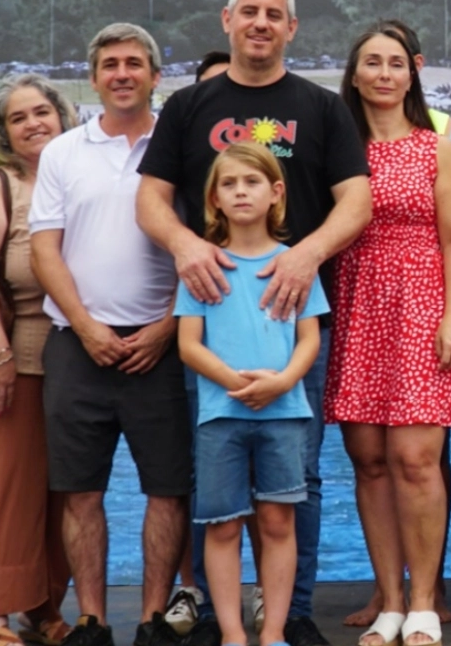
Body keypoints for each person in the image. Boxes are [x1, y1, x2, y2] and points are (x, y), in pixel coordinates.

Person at [136, 0, 372, 646]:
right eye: (250, 12)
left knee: (298, 479)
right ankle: (223, 621)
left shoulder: (321, 107)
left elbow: (355, 201)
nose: (261, 24)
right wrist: (185, 246)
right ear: (227, 20)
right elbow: (151, 199)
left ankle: (291, 616)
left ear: (291, 28)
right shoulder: (188, 107)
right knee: (217, 490)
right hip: (214, 319)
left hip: (292, 320)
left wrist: (306, 254)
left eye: (275, 14)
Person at [30, 24, 190, 646]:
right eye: (110, 64)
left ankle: (153, 618)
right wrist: (90, 327)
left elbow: (208, 243)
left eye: (134, 63)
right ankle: (93, 620)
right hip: (78, 343)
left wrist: (168, 327)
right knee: (78, 490)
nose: (122, 73)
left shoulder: (178, 148)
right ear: (94, 77)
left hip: (164, 344)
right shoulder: (64, 153)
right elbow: (46, 250)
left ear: (154, 74)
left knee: (169, 489)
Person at [325, 23, 451, 646]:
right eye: (372, 63)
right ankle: (388, 603)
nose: (384, 74)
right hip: (356, 307)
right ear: (354, 75)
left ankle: (422, 604)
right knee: (369, 462)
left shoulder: (434, 146)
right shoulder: (337, 150)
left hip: (420, 307)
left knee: (416, 459)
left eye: (395, 63)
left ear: (411, 75)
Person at [176, 142, 328, 646]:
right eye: (229, 183)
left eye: (252, 181)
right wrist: (232, 381)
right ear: (214, 197)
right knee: (221, 526)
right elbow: (188, 344)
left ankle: (275, 633)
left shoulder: (295, 263)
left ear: (275, 192)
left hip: (284, 414)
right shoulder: (202, 265)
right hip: (221, 415)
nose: (241, 191)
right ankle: (233, 634)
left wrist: (283, 382)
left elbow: (309, 338)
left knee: (278, 521)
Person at [0, 74, 75, 646]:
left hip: (77, 363)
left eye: (41, 111)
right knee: (4, 489)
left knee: (64, 491)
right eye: (19, 117)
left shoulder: (79, 180)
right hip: (10, 363)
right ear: (4, 133)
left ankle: (43, 606)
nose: (33, 123)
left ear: (63, 115)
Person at [165, 48, 235, 637]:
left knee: (287, 487)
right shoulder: (183, 138)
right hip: (194, 336)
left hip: (275, 369)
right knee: (204, 476)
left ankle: (278, 603)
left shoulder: (288, 258)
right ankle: (206, 599)